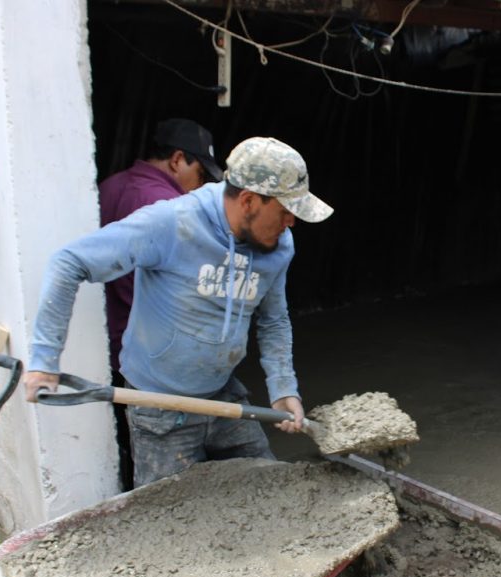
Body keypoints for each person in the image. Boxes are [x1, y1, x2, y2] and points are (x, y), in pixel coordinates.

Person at [25, 136, 333, 487]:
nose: (291, 223)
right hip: (159, 407)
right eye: (285, 211)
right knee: (167, 523)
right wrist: (44, 360)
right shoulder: (171, 224)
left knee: (272, 490)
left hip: (222, 393)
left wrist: (283, 389)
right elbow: (69, 262)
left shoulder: (278, 245)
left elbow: (274, 319)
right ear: (248, 200)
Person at [98, 118, 222, 491]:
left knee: (129, 436)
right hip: (156, 353)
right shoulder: (167, 207)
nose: (200, 186)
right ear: (178, 160)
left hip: (116, 340)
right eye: (200, 174)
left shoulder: (110, 186)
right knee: (169, 462)